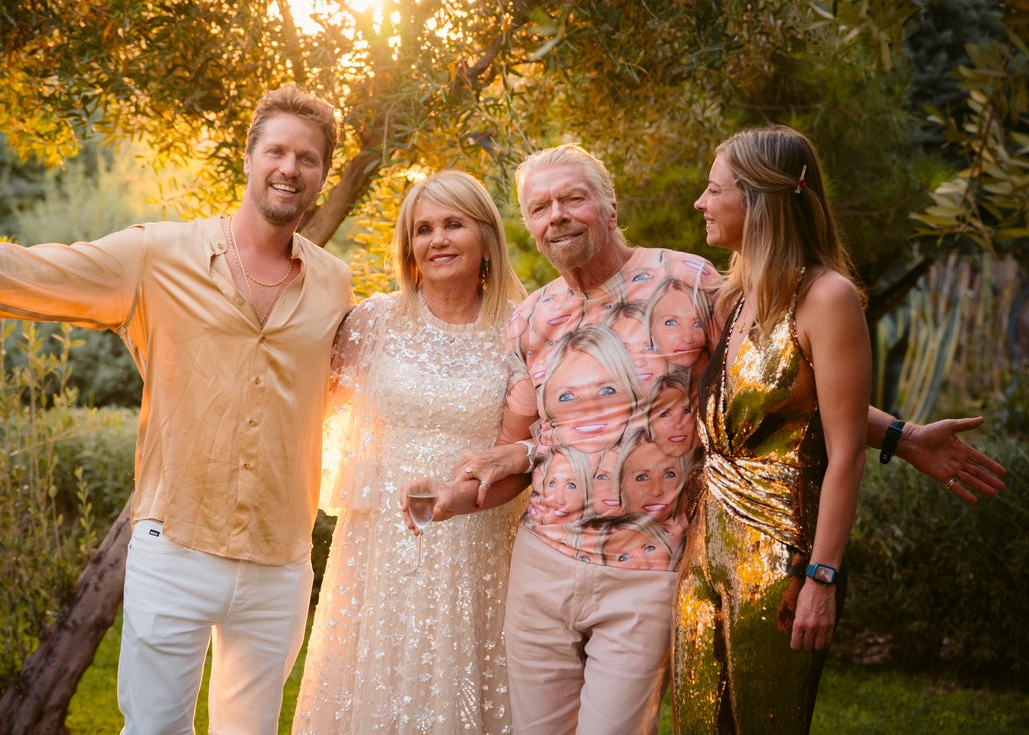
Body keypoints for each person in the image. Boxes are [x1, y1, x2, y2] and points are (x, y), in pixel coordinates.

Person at [432, 143, 1006, 735]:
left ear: (609, 206)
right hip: (544, 562)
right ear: (527, 224)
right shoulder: (530, 318)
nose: (556, 215)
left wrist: (900, 437)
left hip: (651, 565)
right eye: (539, 206)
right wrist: (460, 492)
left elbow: (777, 387)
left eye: (572, 198)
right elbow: (519, 447)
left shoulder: (692, 284)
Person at [0, 85, 352, 734]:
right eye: (276, 150)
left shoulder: (335, 283)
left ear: (323, 174)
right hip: (176, 545)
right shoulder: (158, 255)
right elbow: (37, 272)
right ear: (248, 157)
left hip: (280, 559)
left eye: (308, 158)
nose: (290, 168)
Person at [291, 170, 528, 734]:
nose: (437, 239)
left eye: (454, 224)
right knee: (371, 681)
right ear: (408, 246)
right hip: (378, 541)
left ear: (486, 237)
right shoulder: (372, 322)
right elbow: (307, 408)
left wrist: (463, 495)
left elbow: (519, 451)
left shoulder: (519, 329)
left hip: (474, 535)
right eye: (423, 229)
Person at [671, 124, 867, 733]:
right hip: (702, 557)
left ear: (757, 200)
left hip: (779, 562)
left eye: (713, 189)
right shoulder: (732, 299)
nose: (700, 203)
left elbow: (846, 450)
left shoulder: (829, 298)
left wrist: (821, 577)